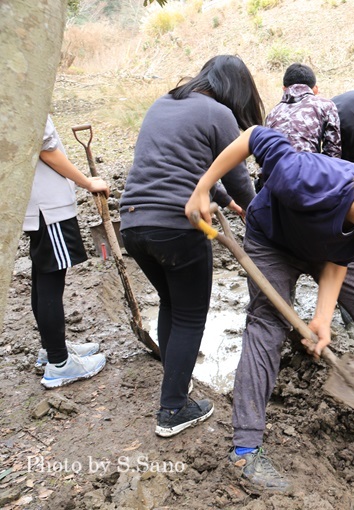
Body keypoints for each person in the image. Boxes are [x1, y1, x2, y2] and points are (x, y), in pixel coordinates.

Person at [185, 125, 354, 492]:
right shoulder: (306, 178)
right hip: (271, 241)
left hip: (322, 248)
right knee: (266, 329)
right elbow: (253, 135)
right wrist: (202, 188)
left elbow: (339, 257)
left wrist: (322, 319)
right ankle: (246, 449)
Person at [120, 55, 264, 438]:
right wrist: (257, 215)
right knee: (189, 315)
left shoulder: (163, 103)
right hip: (177, 227)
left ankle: (174, 384)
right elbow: (236, 177)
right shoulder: (218, 113)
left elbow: (179, 164)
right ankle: (172, 409)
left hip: (134, 224)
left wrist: (224, 201)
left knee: (172, 305)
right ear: (237, 89)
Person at [25, 115, 108, 388]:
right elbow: (47, 151)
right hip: (48, 206)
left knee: (42, 275)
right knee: (51, 279)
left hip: (35, 205)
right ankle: (59, 363)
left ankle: (51, 349)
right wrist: (87, 182)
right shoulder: (28, 97)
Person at [265, 63, 341, 159]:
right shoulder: (325, 105)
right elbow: (333, 153)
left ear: (284, 89)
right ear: (315, 89)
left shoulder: (272, 113)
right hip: (306, 169)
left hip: (274, 171)